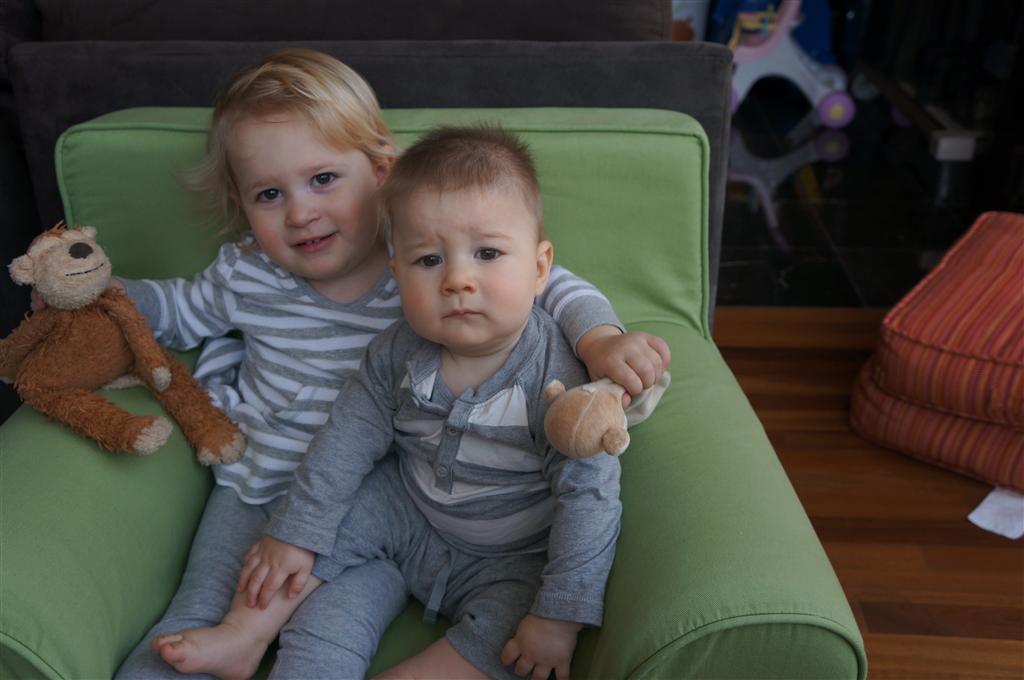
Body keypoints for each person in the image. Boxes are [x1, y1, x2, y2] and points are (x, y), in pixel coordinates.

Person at [110, 49, 669, 679]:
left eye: (323, 179)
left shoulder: (446, 268)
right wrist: (101, 292)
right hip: (283, 485)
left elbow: (553, 286)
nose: (300, 212)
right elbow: (184, 313)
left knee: (384, 619)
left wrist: (601, 341)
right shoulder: (296, 288)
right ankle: (235, 640)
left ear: (380, 173)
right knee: (220, 606)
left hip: (440, 517)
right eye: (269, 194)